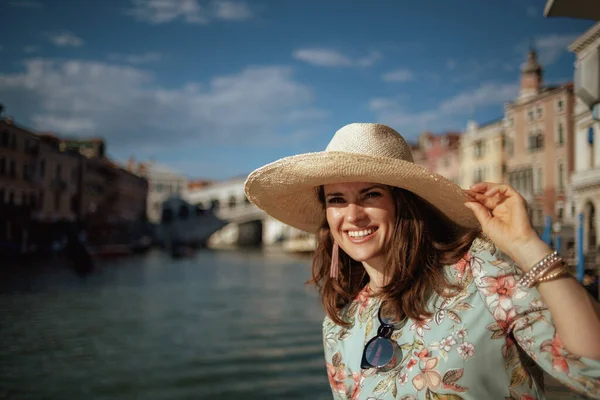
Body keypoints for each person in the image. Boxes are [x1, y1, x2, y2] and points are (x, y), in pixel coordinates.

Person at [244, 123, 600, 399]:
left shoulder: (479, 271)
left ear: (403, 202)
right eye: (336, 199)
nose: (352, 215)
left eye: (370, 194)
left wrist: (527, 246)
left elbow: (591, 369)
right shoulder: (340, 326)